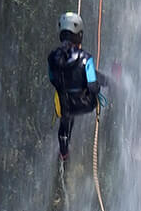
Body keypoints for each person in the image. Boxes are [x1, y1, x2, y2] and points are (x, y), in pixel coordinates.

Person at [47, 11, 109, 161]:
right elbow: (93, 86)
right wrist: (97, 89)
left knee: (66, 116)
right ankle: (112, 82)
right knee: (97, 77)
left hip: (66, 106)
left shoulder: (52, 58)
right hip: (86, 104)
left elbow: (52, 79)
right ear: (79, 34)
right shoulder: (86, 58)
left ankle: (64, 151)